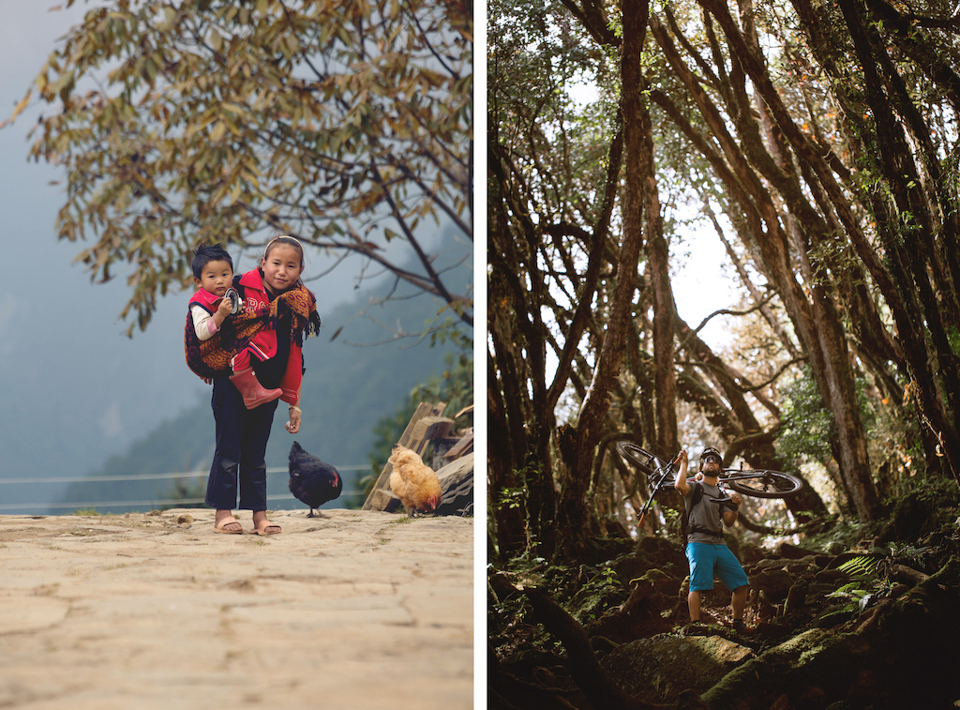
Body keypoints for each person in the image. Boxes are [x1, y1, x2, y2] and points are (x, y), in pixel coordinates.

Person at [201, 236, 321, 535]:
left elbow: (295, 354)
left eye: (290, 266)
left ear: (300, 269)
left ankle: (259, 518)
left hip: (269, 386)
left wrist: (294, 402)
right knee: (228, 449)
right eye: (276, 263)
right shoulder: (238, 288)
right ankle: (223, 515)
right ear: (262, 263)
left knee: (256, 453)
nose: (282, 271)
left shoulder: (298, 303)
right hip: (231, 382)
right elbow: (206, 313)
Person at [187, 244, 283, 409]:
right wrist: (220, 315)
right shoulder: (199, 304)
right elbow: (202, 333)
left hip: (226, 340)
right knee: (244, 352)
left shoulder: (230, 292)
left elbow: (236, 314)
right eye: (212, 276)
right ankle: (251, 392)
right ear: (198, 281)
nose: (220, 281)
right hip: (206, 352)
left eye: (225, 274)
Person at [674, 446, 750, 632]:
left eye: (714, 460)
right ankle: (696, 625)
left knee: (741, 583)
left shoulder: (722, 494)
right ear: (701, 466)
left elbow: (729, 522)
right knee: (697, 585)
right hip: (698, 542)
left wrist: (735, 506)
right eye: (707, 459)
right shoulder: (695, 487)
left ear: (719, 468)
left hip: (719, 544)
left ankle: (738, 623)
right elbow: (679, 486)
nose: (711, 462)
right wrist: (684, 463)